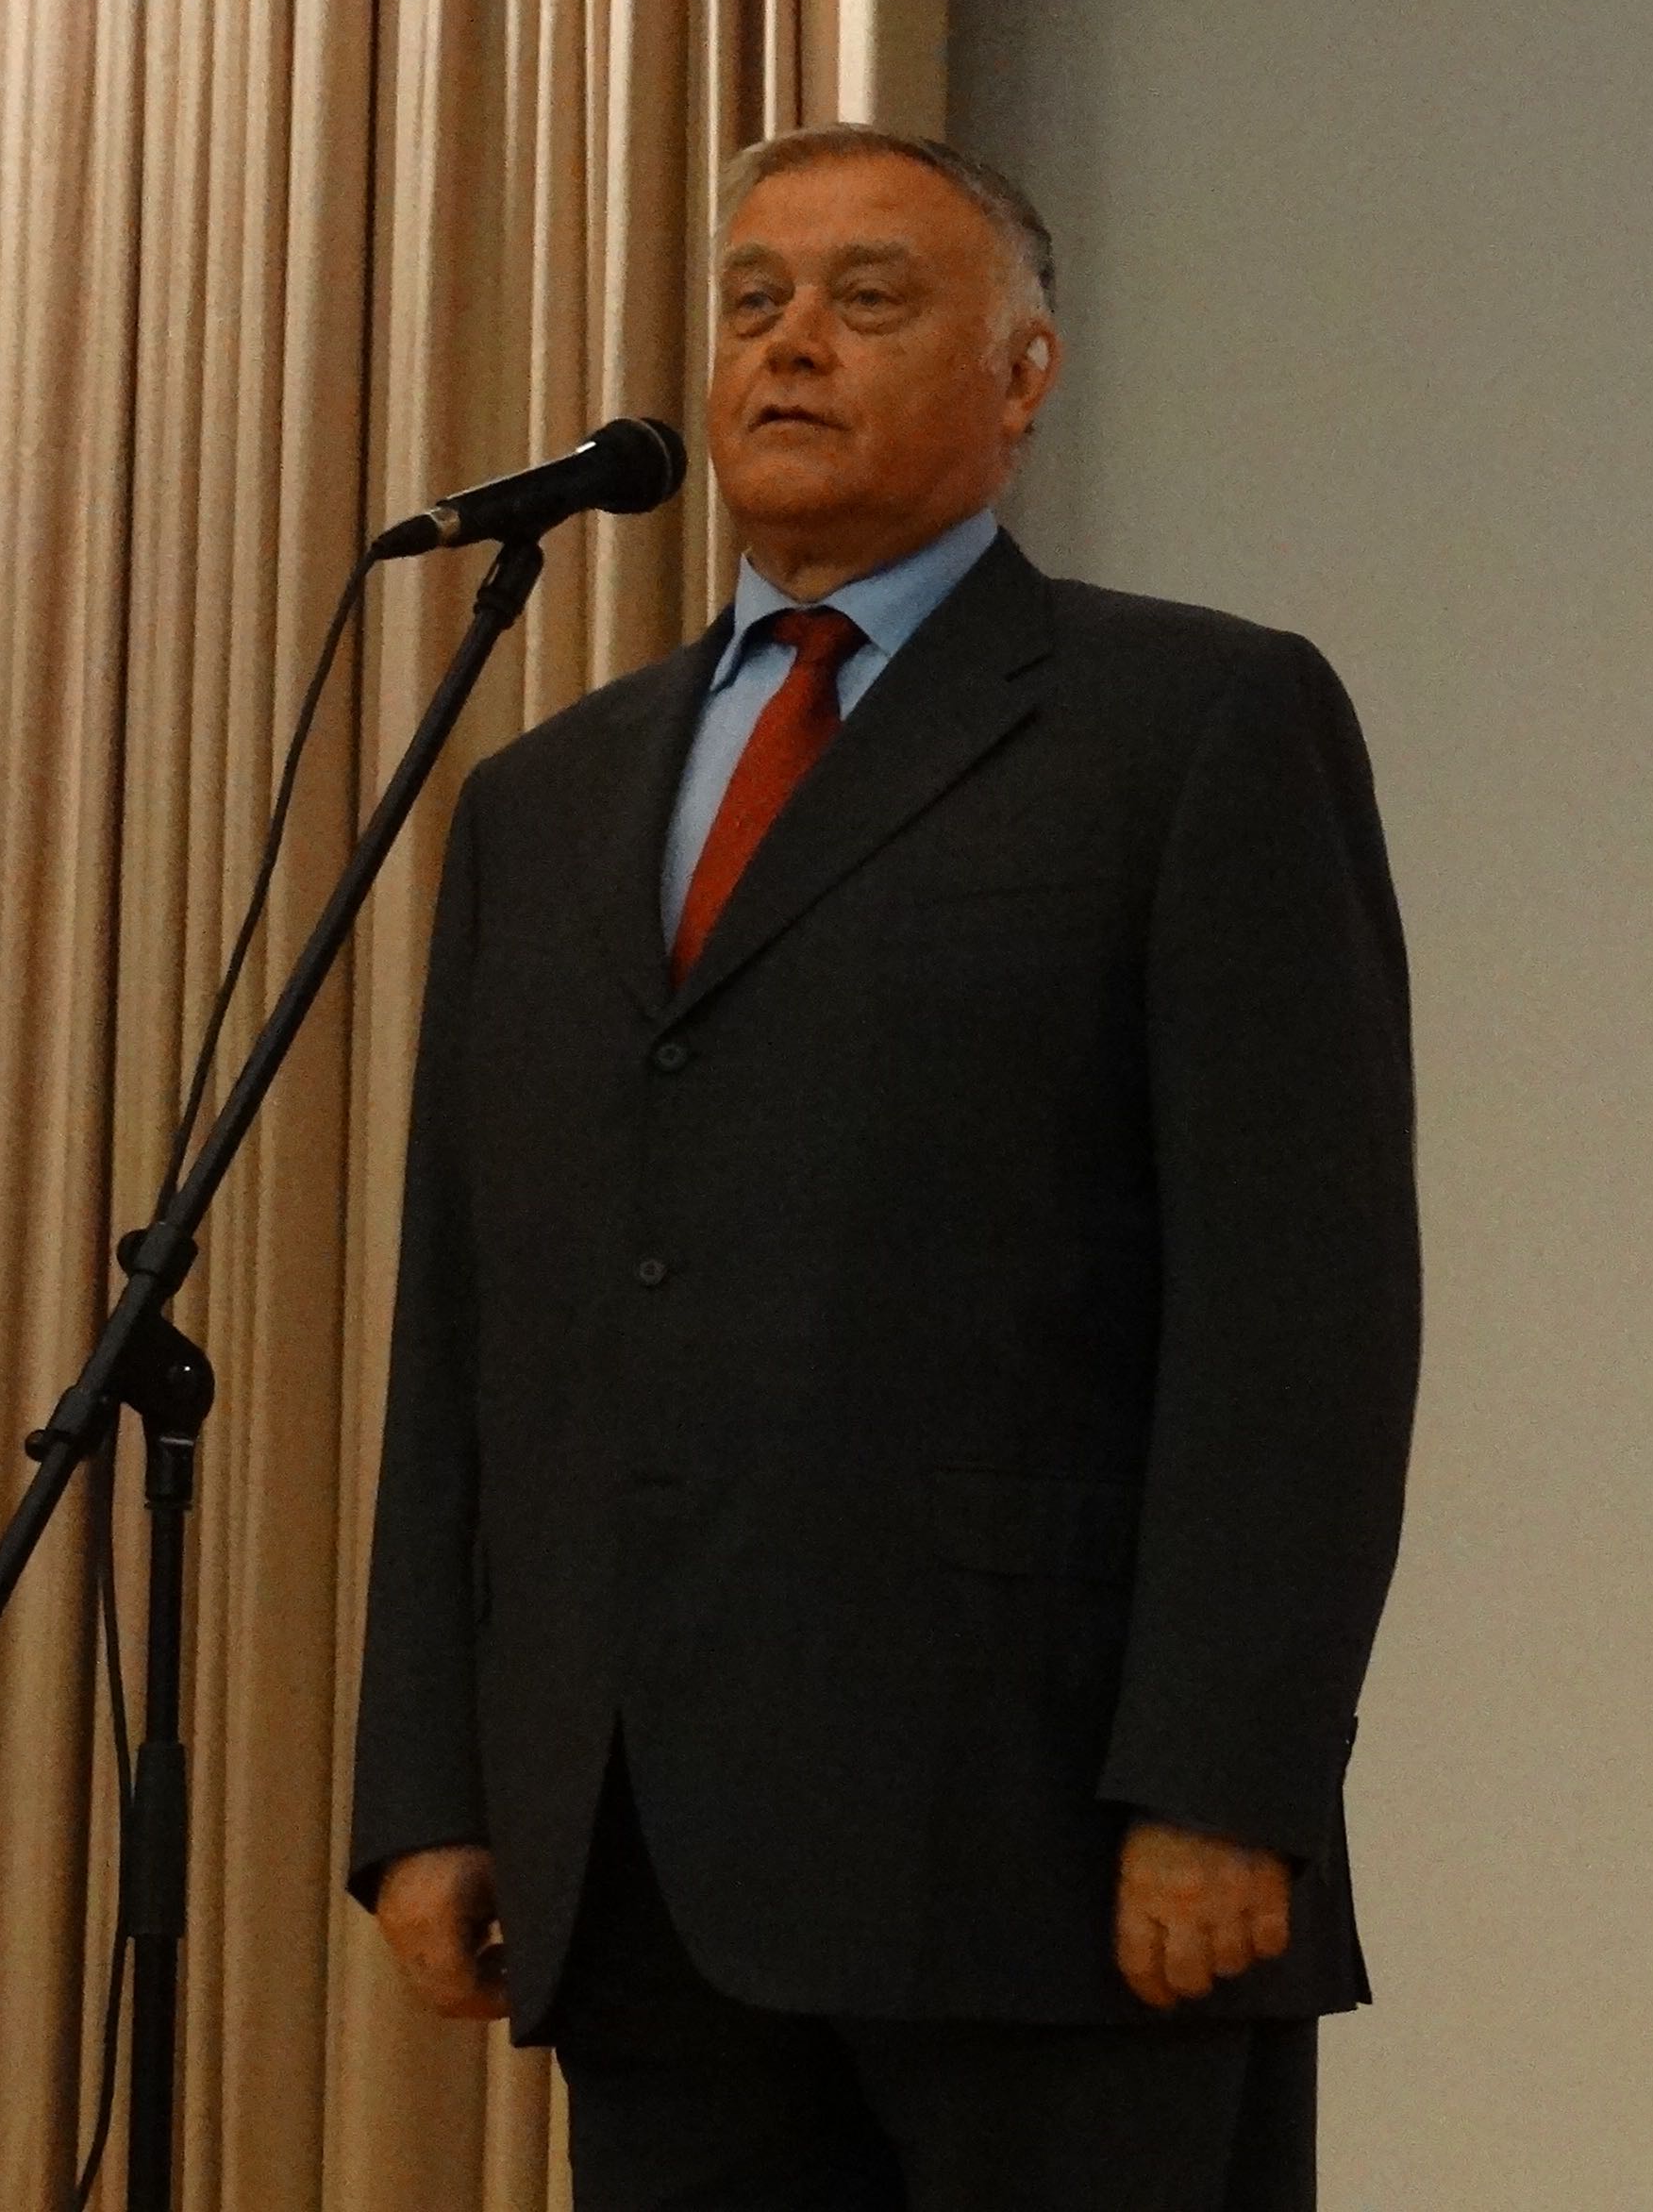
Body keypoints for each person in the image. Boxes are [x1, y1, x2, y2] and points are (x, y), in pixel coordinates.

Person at [346, 126, 1421, 2210]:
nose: (790, 344)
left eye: (868, 299)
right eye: (752, 300)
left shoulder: (1193, 721)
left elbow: (1301, 1308)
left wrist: (1227, 1776)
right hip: (639, 1852)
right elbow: (469, 1323)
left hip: (1050, 1847)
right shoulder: (543, 801)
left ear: (1023, 377)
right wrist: (433, 1782)